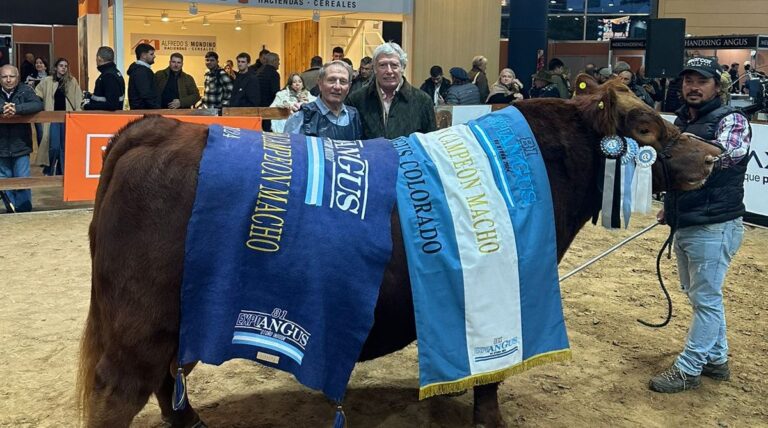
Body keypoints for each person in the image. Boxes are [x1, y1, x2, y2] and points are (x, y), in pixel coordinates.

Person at [650, 57, 751, 394]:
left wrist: (687, 153)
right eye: (688, 81)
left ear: (717, 86)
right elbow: (679, 177)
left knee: (706, 298)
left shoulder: (731, 118)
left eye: (701, 81)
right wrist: (669, 206)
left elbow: (729, 155)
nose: (692, 87)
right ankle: (717, 359)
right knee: (699, 295)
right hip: (687, 219)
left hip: (715, 223)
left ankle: (689, 368)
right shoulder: (681, 120)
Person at [346, 42, 436, 139]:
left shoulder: (423, 101)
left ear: (403, 68)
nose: (389, 71)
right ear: (375, 69)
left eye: (394, 65)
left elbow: (430, 143)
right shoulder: (356, 100)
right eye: (383, 65)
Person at [0, 64, 43, 213]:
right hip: (1, 146)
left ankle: (24, 210)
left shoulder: (25, 90)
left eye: (11, 76)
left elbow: (38, 104)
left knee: (23, 179)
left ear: (17, 78)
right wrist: (3, 109)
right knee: (5, 180)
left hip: (21, 144)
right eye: (4, 77)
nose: (8, 80)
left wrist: (17, 109)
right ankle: (10, 210)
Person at [284, 61, 362, 140]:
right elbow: (290, 149)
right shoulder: (302, 116)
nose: (337, 87)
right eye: (331, 80)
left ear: (349, 86)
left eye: (343, 81)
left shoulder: (354, 115)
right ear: (320, 84)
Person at [34, 58, 82, 176]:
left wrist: (78, 115)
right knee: (54, 146)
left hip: (67, 118)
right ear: (55, 67)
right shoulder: (47, 81)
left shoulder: (72, 81)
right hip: (53, 118)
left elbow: (78, 99)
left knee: (64, 147)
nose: (63, 68)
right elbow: (37, 93)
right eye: (61, 65)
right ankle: (48, 169)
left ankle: (61, 172)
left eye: (65, 66)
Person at [83, 46, 125, 111]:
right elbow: (105, 96)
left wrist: (88, 106)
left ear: (99, 58)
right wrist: (90, 96)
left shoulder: (108, 76)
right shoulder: (115, 72)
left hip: (106, 118)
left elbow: (111, 105)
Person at [127, 43, 159, 109]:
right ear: (143, 55)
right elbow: (146, 94)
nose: (154, 56)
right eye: (151, 54)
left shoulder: (141, 70)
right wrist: (156, 108)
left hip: (143, 111)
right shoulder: (141, 72)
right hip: (144, 112)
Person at [255, 52, 281, 131]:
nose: (279, 63)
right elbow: (275, 92)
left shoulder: (259, 70)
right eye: (278, 61)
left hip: (258, 105)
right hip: (269, 106)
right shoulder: (274, 74)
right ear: (274, 61)